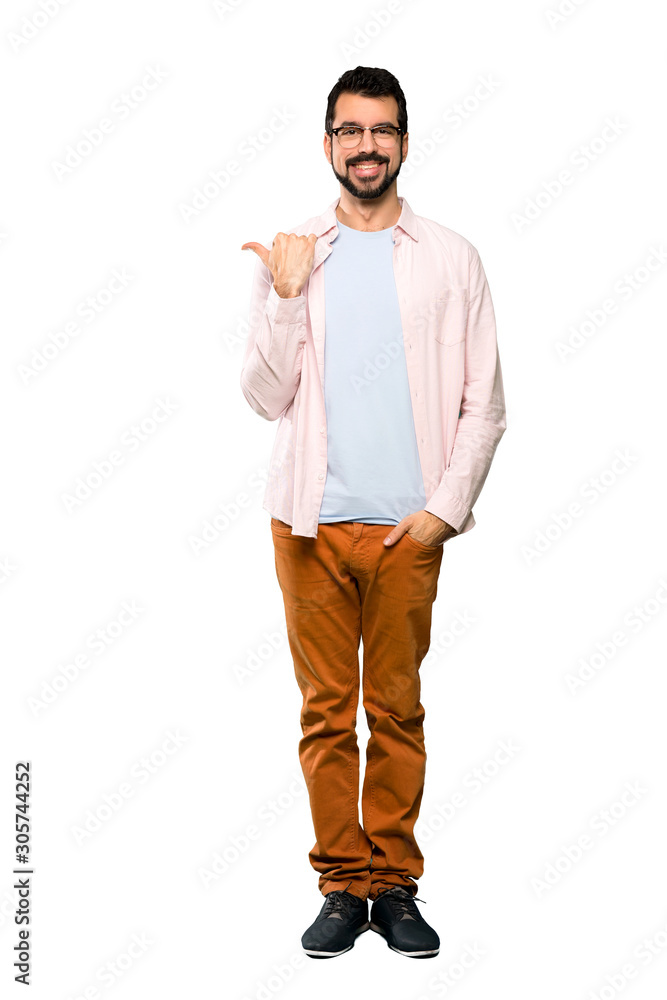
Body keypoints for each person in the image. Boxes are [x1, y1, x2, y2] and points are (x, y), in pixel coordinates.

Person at [240, 65, 506, 960]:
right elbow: (264, 398)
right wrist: (281, 299)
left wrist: (443, 511)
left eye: (381, 130)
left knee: (395, 710)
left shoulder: (450, 256)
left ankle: (392, 886)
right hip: (307, 525)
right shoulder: (294, 252)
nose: (366, 145)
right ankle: (338, 886)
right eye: (349, 131)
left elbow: (484, 400)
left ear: (402, 141)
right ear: (327, 144)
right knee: (325, 712)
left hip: (405, 530)